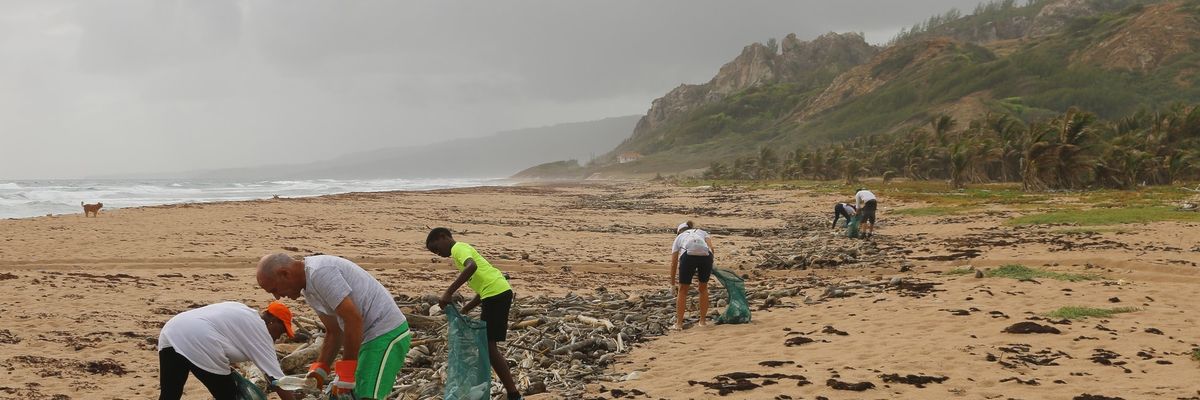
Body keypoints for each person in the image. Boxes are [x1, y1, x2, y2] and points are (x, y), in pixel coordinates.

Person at [256, 253, 410, 400]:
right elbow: (334, 332)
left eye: (275, 289)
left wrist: (347, 371)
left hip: (386, 332)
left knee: (367, 394)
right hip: (366, 338)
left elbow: (353, 319)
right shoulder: (308, 290)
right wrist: (320, 369)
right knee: (342, 394)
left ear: (285, 274)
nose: (277, 296)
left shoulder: (320, 273)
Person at [426, 227, 522, 400]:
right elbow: (482, 288)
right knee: (487, 346)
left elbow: (472, 266)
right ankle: (504, 391)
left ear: (443, 237)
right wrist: (466, 308)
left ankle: (513, 394)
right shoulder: (460, 254)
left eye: (437, 249)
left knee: (489, 347)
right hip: (495, 293)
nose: (439, 254)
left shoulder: (458, 249)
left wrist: (448, 292)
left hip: (496, 294)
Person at [157, 301, 297, 400]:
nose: (279, 336)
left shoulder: (243, 310)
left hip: (172, 330)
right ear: (273, 321)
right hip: (201, 338)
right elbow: (278, 381)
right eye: (282, 331)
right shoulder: (261, 332)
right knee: (229, 395)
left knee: (170, 394)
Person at [670, 220, 714, 330]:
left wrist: (672, 284)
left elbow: (674, 263)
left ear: (679, 232)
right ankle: (702, 321)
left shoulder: (679, 238)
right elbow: (711, 249)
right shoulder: (702, 232)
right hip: (706, 256)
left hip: (688, 256)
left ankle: (679, 324)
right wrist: (710, 263)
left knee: (682, 290)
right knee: (703, 288)